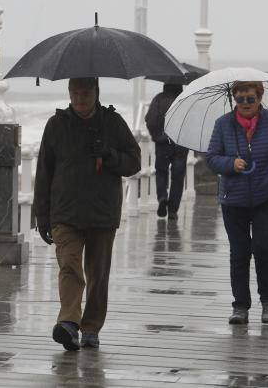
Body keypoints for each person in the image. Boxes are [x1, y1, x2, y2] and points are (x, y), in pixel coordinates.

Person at [33, 77, 141, 351]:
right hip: (65, 212)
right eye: (75, 93)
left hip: (102, 211)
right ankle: (69, 322)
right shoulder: (56, 125)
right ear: (69, 93)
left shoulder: (112, 123)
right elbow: (44, 172)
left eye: (86, 93)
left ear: (96, 92)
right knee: (69, 266)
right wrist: (42, 216)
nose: (80, 99)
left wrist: (109, 155)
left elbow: (134, 162)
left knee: (98, 273)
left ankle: (91, 326)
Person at [206, 81, 268, 325]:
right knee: (239, 253)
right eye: (240, 98)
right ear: (234, 98)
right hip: (233, 200)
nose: (245, 103)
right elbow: (212, 157)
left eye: (250, 98)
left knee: (263, 249)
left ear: (259, 98)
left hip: (266, 198)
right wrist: (230, 164)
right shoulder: (223, 124)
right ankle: (240, 306)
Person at [145, 83, 189, 220]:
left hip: (162, 144)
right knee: (178, 177)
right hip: (180, 144)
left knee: (161, 172)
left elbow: (150, 119)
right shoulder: (185, 100)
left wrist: (156, 136)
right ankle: (173, 210)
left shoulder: (158, 99)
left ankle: (162, 197)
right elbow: (192, 122)